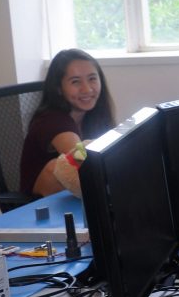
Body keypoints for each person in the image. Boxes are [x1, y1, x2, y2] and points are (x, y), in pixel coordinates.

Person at [19, 48, 116, 197]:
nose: (87, 89)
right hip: (39, 208)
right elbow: (81, 159)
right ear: (58, 88)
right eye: (75, 82)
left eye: (92, 79)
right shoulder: (52, 121)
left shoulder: (93, 116)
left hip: (72, 201)